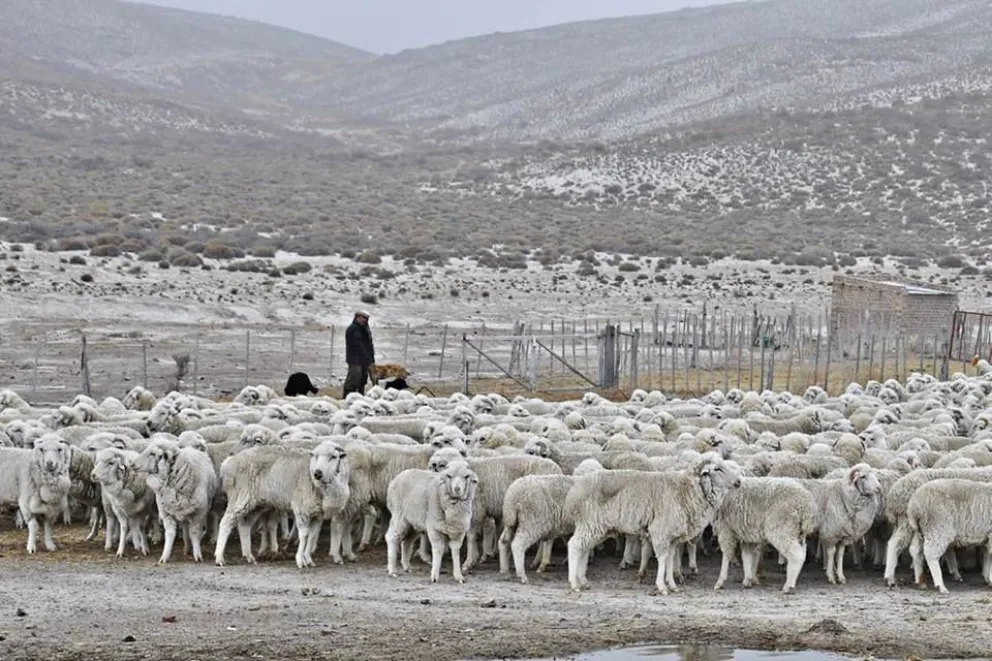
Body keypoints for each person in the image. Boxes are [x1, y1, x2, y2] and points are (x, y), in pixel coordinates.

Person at [343, 310, 375, 396]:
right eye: (362, 317)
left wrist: (371, 358)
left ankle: (360, 398)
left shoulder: (365, 329)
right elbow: (357, 345)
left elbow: (369, 344)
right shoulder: (352, 329)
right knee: (353, 380)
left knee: (362, 381)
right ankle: (346, 398)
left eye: (365, 318)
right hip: (355, 360)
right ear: (357, 317)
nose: (364, 320)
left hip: (365, 360)